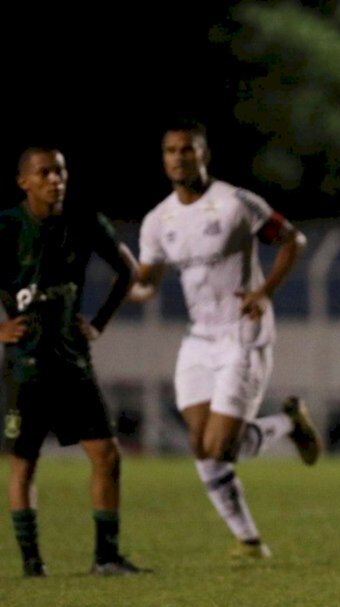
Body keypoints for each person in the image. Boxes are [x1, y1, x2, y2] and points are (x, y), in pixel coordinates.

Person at [130, 120, 322, 559]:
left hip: (243, 335)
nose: (179, 157)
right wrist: (131, 288)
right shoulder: (158, 220)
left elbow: (294, 240)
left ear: (203, 155)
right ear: (164, 160)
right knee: (203, 447)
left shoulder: (235, 203)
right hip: (198, 340)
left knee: (220, 446)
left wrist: (263, 291)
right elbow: (148, 282)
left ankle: (290, 423)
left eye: (188, 149)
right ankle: (250, 541)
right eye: (171, 151)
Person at [1, 147, 146, 576]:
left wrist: (99, 322)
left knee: (107, 454)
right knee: (24, 463)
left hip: (73, 362)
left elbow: (128, 271)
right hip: (27, 366)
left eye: (60, 172)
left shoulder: (83, 221)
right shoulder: (8, 226)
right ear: (24, 181)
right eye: (43, 173)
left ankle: (106, 557)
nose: (54, 180)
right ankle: (32, 564)